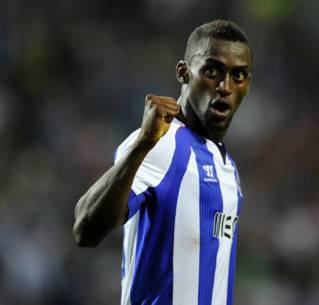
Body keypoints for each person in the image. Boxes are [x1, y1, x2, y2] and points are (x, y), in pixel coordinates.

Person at [73, 20, 252, 305]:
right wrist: (142, 144)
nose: (224, 87)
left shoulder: (227, 166)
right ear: (184, 72)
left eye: (238, 75)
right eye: (212, 70)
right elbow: (85, 228)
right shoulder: (161, 142)